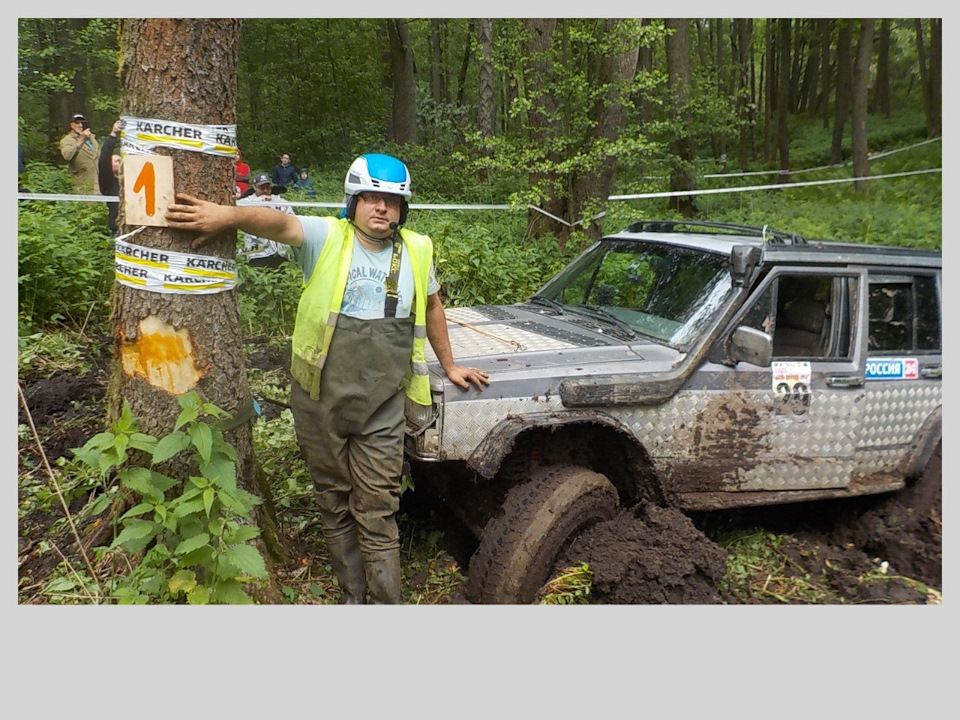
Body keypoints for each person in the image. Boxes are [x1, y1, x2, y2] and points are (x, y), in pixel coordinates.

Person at [166, 153, 490, 604]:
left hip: (383, 404)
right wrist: (227, 216)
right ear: (353, 201)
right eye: (372, 198)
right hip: (319, 398)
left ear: (403, 209)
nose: (382, 208)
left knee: (378, 507)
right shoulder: (326, 237)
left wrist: (450, 364)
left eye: (392, 201)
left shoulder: (417, 249)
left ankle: (384, 603)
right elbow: (277, 224)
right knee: (334, 498)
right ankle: (351, 597)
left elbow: (433, 305)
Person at [240, 173, 295, 268]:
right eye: (262, 188)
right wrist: (260, 201)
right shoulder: (247, 201)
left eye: (267, 187)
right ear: (255, 187)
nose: (265, 190)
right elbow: (236, 208)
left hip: (280, 254)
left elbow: (292, 218)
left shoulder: (278, 200)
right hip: (257, 254)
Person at [58, 113, 100, 192]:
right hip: (82, 184)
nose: (80, 125)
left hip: (98, 182)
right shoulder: (67, 140)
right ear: (71, 125)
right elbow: (67, 156)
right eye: (77, 123)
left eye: (82, 123)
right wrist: (82, 140)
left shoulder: (92, 138)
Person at [98, 120, 123, 235]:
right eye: (116, 161)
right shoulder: (108, 182)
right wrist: (113, 134)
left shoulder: (127, 180)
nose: (120, 163)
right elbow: (104, 159)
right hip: (117, 229)